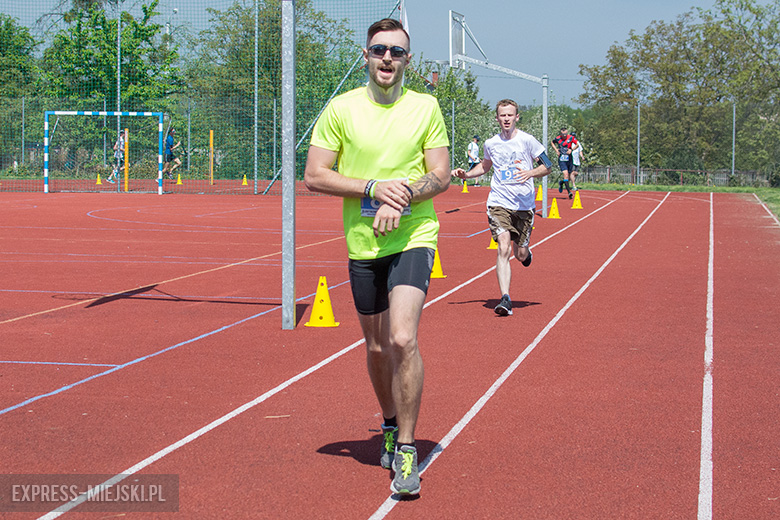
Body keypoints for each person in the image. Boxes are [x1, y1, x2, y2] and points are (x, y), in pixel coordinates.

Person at [304, 18, 450, 496]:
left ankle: (406, 450)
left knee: (403, 338)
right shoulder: (341, 109)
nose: (388, 58)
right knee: (376, 347)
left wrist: (401, 195)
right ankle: (389, 423)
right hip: (363, 244)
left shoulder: (425, 107)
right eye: (379, 49)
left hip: (413, 235)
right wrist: (371, 187)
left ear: (408, 60)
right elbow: (315, 175)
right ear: (365, 55)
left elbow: (442, 175)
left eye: (397, 52)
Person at [452, 99, 552, 316]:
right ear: (497, 118)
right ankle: (505, 298)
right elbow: (486, 166)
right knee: (503, 247)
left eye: (510, 115)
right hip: (499, 202)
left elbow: (548, 165)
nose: (506, 119)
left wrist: (530, 173)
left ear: (517, 117)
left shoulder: (527, 141)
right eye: (502, 115)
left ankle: (526, 254)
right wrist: (467, 175)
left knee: (520, 254)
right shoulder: (491, 143)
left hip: (524, 204)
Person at [550, 126, 579, 199]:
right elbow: (552, 142)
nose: (565, 135)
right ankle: (569, 192)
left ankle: (562, 182)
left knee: (568, 177)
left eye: (566, 134)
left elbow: (577, 144)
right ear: (561, 134)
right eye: (563, 134)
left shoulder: (571, 138)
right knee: (565, 174)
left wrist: (571, 149)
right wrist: (556, 150)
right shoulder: (558, 138)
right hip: (562, 158)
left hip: (569, 158)